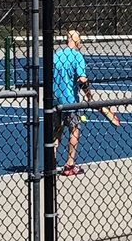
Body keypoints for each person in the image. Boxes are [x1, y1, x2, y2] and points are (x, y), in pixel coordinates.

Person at [51, 29, 119, 177]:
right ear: (76, 41)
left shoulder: (56, 55)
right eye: (80, 39)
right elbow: (82, 80)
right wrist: (88, 94)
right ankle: (70, 164)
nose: (81, 42)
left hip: (54, 99)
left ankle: (51, 163)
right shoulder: (77, 57)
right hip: (70, 101)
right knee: (74, 129)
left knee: (57, 132)